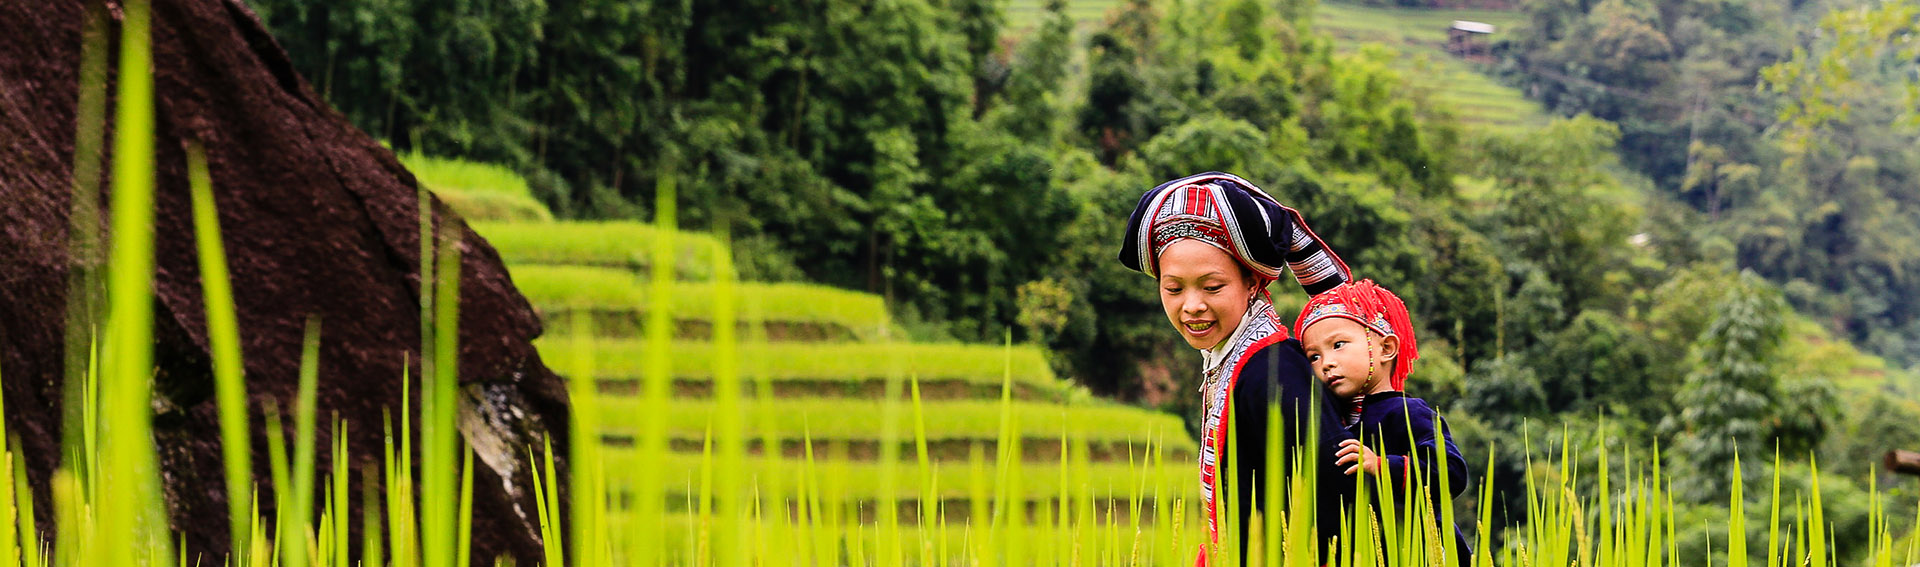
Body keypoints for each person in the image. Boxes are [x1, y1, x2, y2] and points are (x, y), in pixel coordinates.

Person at [1117, 172, 1358, 563]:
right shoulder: (1237, 362)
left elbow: (1337, 496)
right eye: (1174, 288)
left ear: (1252, 283)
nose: (1191, 305)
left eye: (1212, 287)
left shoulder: (1275, 373)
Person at [1294, 279, 1472, 563]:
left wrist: (1380, 464)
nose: (1325, 362)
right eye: (1313, 356)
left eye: (1338, 344)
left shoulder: (1408, 412)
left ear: (1386, 348)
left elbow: (1451, 473)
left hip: (1420, 550)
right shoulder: (1330, 422)